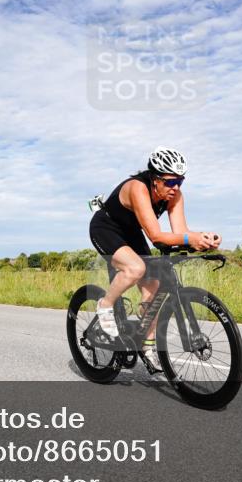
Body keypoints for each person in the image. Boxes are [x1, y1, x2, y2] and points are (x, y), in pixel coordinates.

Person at [89, 147, 221, 368]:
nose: (175, 187)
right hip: (106, 227)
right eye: (170, 182)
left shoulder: (175, 195)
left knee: (154, 286)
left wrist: (202, 240)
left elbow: (179, 232)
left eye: (180, 181)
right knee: (135, 269)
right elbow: (156, 236)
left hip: (131, 232)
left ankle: (147, 346)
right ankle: (105, 305)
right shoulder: (138, 188)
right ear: (155, 179)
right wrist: (192, 238)